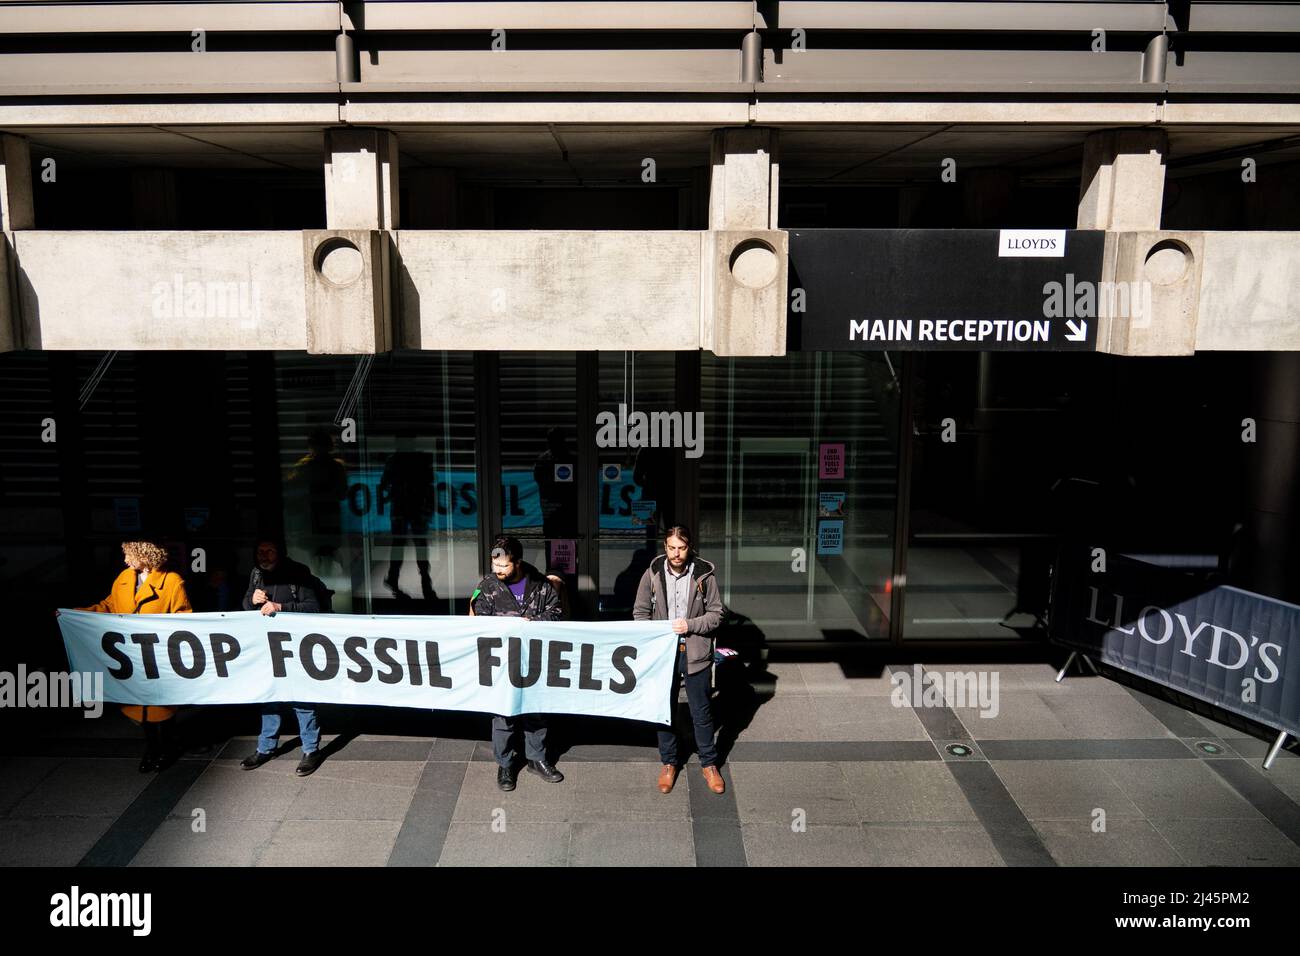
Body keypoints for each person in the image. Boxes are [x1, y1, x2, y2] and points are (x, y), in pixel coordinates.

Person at [73, 540, 192, 773]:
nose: (126, 560)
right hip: (132, 657)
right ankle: (152, 748)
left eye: (129, 554)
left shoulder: (171, 581)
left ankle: (166, 748)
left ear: (145, 555)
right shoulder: (124, 578)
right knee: (141, 708)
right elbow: (108, 605)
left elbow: (183, 617)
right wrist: (78, 614)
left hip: (159, 656)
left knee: (162, 707)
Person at [633, 525, 726, 795]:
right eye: (672, 547)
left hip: (695, 650)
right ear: (665, 547)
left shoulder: (703, 574)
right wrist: (654, 636)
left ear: (690, 548)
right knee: (664, 710)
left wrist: (690, 625)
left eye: (682, 548)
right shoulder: (652, 573)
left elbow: (717, 614)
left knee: (701, 711)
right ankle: (669, 762)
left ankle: (709, 764)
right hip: (663, 653)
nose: (676, 553)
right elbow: (640, 612)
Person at [471, 535, 565, 792]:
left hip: (534, 659)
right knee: (504, 714)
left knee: (536, 711)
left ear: (518, 563)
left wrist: (532, 623)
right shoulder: (488, 586)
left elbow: (556, 613)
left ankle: (537, 759)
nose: (498, 571)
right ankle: (505, 764)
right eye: (495, 566)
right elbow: (478, 620)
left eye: (504, 566)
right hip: (502, 662)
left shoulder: (540, 584)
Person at [238, 538, 328, 777]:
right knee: (269, 698)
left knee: (302, 700)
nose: (264, 555)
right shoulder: (256, 574)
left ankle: (311, 750)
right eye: (260, 551)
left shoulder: (298, 573)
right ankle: (265, 748)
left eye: (269, 550)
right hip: (268, 648)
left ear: (280, 553)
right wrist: (251, 601)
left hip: (297, 648)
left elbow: (313, 607)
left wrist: (280, 607)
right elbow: (246, 604)